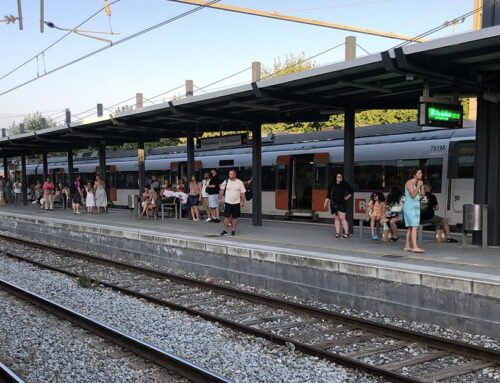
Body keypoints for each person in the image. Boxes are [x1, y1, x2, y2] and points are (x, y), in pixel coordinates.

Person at [324, 173, 353, 239]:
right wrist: (325, 202)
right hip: (334, 204)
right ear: (335, 177)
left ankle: (346, 233)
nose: (340, 177)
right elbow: (329, 195)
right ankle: (337, 233)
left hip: (342, 203)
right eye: (338, 176)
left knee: (342, 218)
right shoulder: (332, 185)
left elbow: (351, 190)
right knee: (336, 218)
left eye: (341, 176)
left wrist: (348, 196)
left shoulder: (345, 184)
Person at [404, 167, 425, 253]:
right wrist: (418, 186)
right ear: (414, 175)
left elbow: (423, 195)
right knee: (415, 226)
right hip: (410, 208)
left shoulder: (418, 183)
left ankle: (407, 246)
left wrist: (422, 187)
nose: (421, 175)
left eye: (421, 173)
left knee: (411, 227)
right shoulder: (409, 182)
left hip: (416, 208)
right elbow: (412, 195)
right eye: (419, 173)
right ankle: (415, 246)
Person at [219, 169, 246, 236]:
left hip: (236, 203)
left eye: (231, 174)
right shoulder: (226, 181)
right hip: (228, 202)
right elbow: (222, 190)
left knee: (234, 217)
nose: (229, 175)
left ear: (235, 175)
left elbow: (242, 193)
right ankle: (225, 230)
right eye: (229, 174)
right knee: (226, 217)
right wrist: (220, 197)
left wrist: (242, 201)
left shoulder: (240, 182)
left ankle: (233, 230)